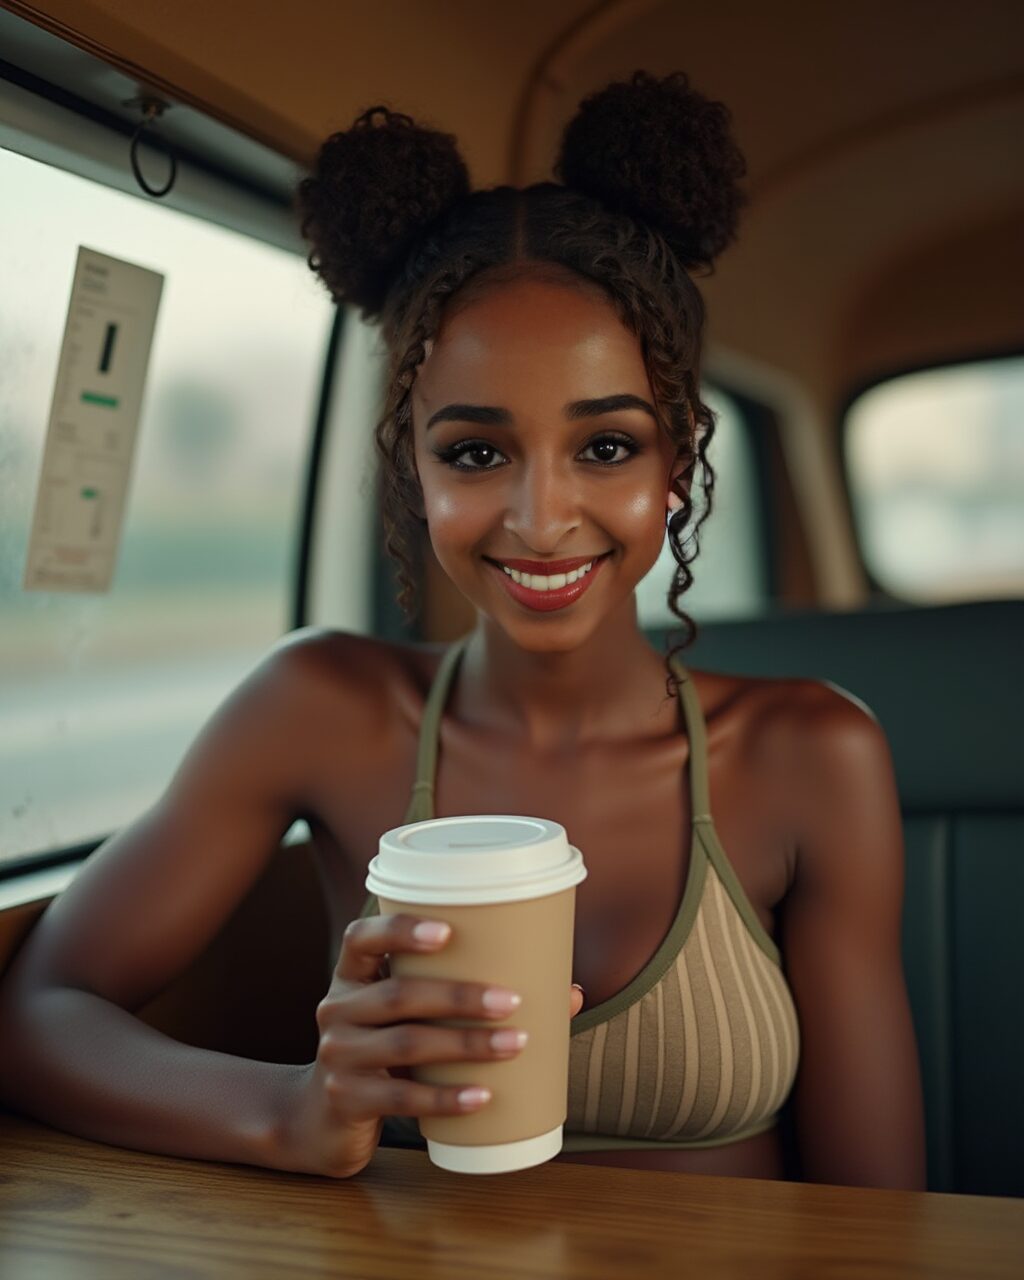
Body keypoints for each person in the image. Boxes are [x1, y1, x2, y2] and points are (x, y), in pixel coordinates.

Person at [0, 71, 926, 1189]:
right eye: (477, 452)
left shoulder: (812, 755)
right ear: (415, 469)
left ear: (676, 461)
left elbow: (885, 1221)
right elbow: (42, 1007)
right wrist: (289, 1108)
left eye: (607, 445)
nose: (541, 519)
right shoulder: (322, 709)